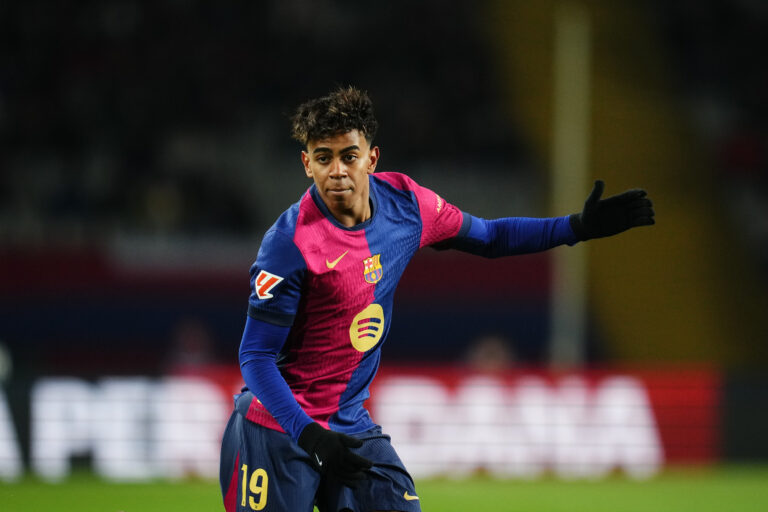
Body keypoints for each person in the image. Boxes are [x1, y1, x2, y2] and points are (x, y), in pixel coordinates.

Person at [218, 86, 654, 512]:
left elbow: (490, 236)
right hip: (278, 428)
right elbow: (255, 356)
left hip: (348, 420)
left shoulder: (408, 205)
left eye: (349, 156)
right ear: (306, 163)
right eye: (323, 158)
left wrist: (576, 227)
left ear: (371, 158)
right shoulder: (289, 244)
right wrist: (309, 434)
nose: (337, 171)